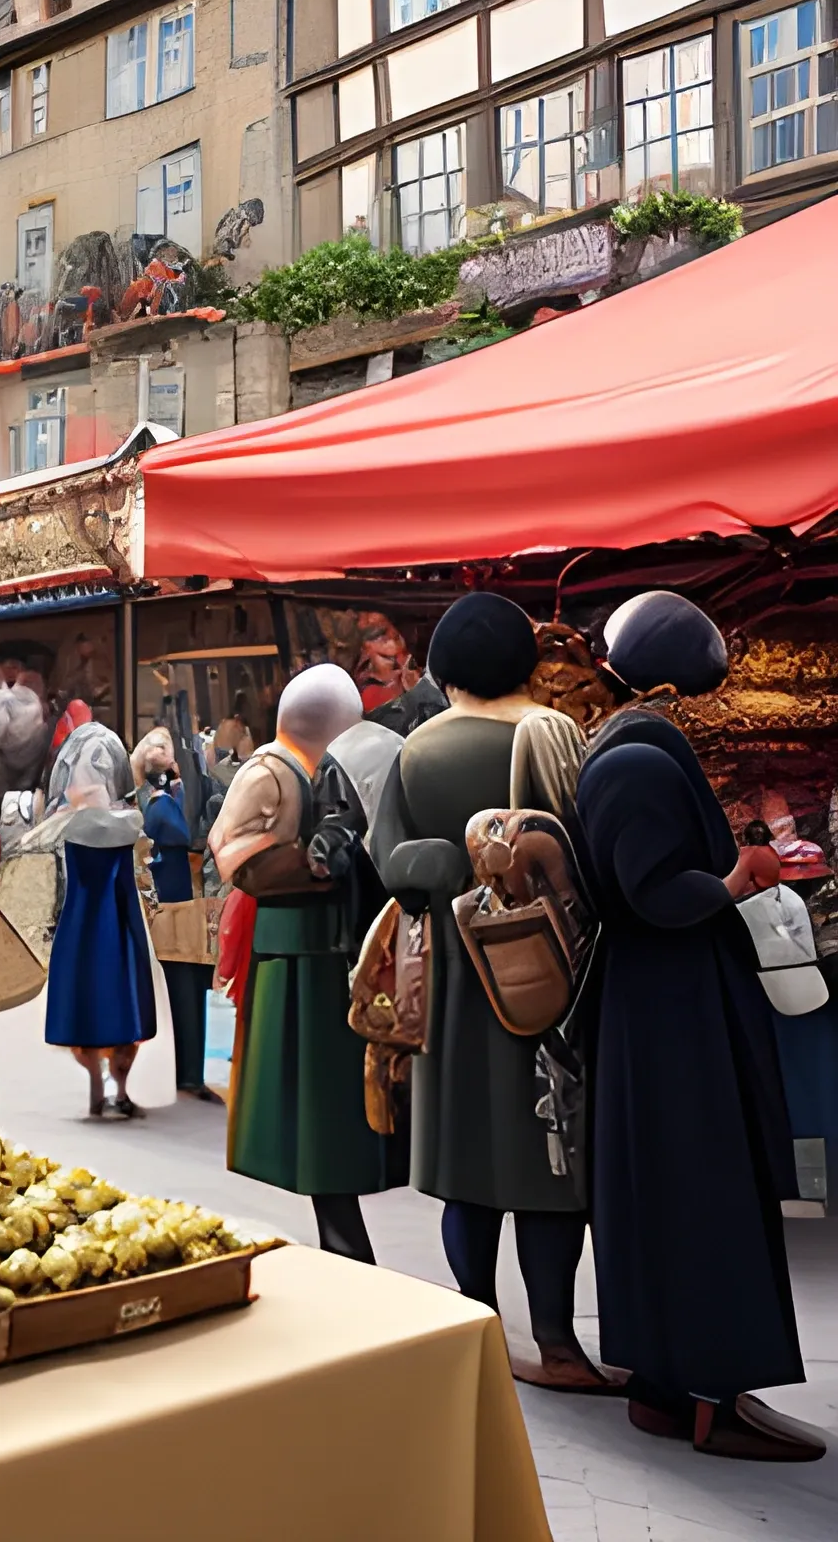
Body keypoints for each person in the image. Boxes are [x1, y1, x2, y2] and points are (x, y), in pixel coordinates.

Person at [575, 592, 823, 1461]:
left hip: (651, 1006)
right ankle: (713, 1391)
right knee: (704, 1186)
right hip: (674, 1010)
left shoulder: (617, 747)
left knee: (665, 1187)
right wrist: (737, 879)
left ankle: (665, 1387)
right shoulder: (638, 759)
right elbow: (655, 892)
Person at [370, 593, 608, 1389]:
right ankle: (560, 1345)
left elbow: (398, 868)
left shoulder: (416, 753)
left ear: (442, 668)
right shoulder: (554, 736)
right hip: (550, 983)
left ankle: (479, 1325)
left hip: (454, 982)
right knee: (548, 1163)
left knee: (465, 1161)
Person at [210, 664, 401, 1265]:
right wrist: (314, 863)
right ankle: (342, 1240)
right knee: (312, 1103)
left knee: (335, 1100)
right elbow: (231, 852)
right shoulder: (268, 770)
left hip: (336, 948)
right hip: (292, 950)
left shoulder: (336, 766)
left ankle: (343, 1237)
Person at [45, 724, 162, 1117]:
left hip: (84, 920)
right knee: (118, 1002)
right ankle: (112, 1087)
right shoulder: (126, 819)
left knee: (91, 1002)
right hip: (114, 917)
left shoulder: (70, 818)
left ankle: (104, 1084)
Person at [134, 726, 216, 1101]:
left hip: (174, 908)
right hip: (178, 912)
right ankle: (188, 1075)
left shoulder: (155, 803)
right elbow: (184, 835)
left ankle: (188, 1073)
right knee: (186, 991)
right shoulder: (163, 806)